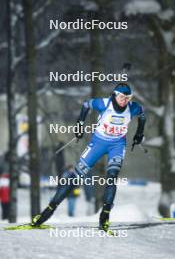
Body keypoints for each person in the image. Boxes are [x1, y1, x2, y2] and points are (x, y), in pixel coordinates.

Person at [31, 83, 146, 231]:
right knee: (76, 177)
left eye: (127, 98)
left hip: (117, 145)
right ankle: (46, 212)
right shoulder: (103, 103)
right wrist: (79, 126)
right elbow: (86, 105)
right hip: (98, 143)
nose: (125, 100)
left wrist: (139, 133)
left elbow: (142, 114)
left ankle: (104, 217)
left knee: (112, 176)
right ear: (115, 95)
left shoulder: (133, 107)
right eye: (122, 97)